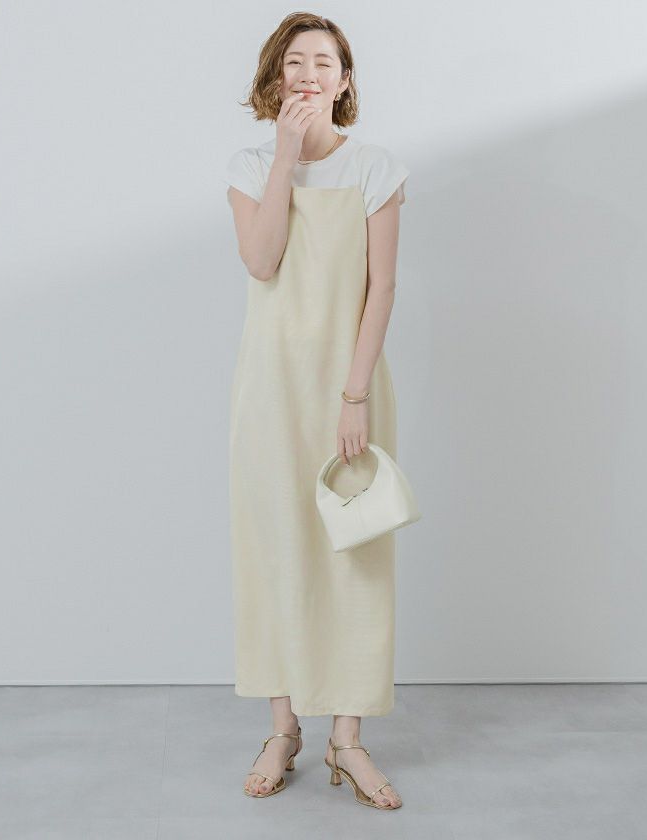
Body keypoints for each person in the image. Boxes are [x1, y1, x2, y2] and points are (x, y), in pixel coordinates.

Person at [224, 12, 408, 810]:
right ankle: (283, 730)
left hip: (348, 391)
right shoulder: (248, 165)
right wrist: (284, 159)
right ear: (277, 77)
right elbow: (261, 260)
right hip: (269, 390)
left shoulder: (376, 167)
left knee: (354, 555)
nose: (307, 73)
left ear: (344, 79)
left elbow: (382, 287)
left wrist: (354, 395)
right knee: (275, 550)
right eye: (294, 61)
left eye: (323, 62)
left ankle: (348, 739)